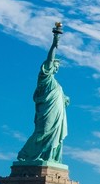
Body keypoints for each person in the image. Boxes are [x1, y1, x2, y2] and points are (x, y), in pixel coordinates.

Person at [16, 23, 69, 165]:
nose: (55, 68)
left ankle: (49, 157)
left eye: (57, 67)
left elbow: (59, 97)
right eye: (54, 66)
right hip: (47, 112)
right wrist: (54, 42)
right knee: (43, 132)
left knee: (55, 135)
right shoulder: (45, 78)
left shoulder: (57, 85)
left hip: (58, 113)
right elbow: (50, 59)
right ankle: (25, 154)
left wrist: (64, 99)